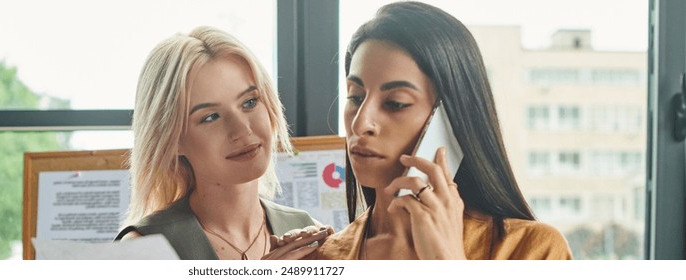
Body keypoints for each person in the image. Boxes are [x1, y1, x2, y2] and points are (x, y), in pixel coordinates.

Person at [310, 1, 571, 259]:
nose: (360, 124)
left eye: (395, 103)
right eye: (355, 97)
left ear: (448, 122)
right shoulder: (324, 258)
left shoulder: (534, 250)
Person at [114, 26, 331, 260]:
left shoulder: (312, 235)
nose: (242, 129)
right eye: (210, 117)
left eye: (249, 102)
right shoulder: (142, 250)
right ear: (173, 139)